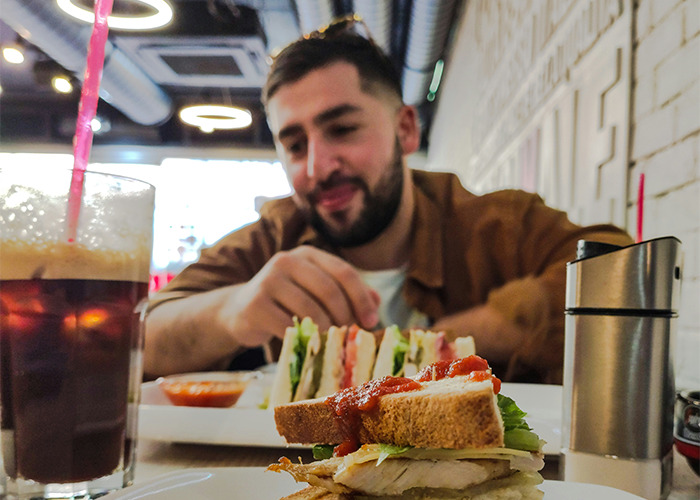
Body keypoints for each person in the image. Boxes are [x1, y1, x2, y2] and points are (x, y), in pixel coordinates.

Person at [143, 16, 632, 384]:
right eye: (295, 144)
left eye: (343, 129)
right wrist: (234, 310)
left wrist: (448, 340)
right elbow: (139, 341)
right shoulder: (273, 238)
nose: (317, 166)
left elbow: (620, 269)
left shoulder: (498, 225)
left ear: (405, 129)